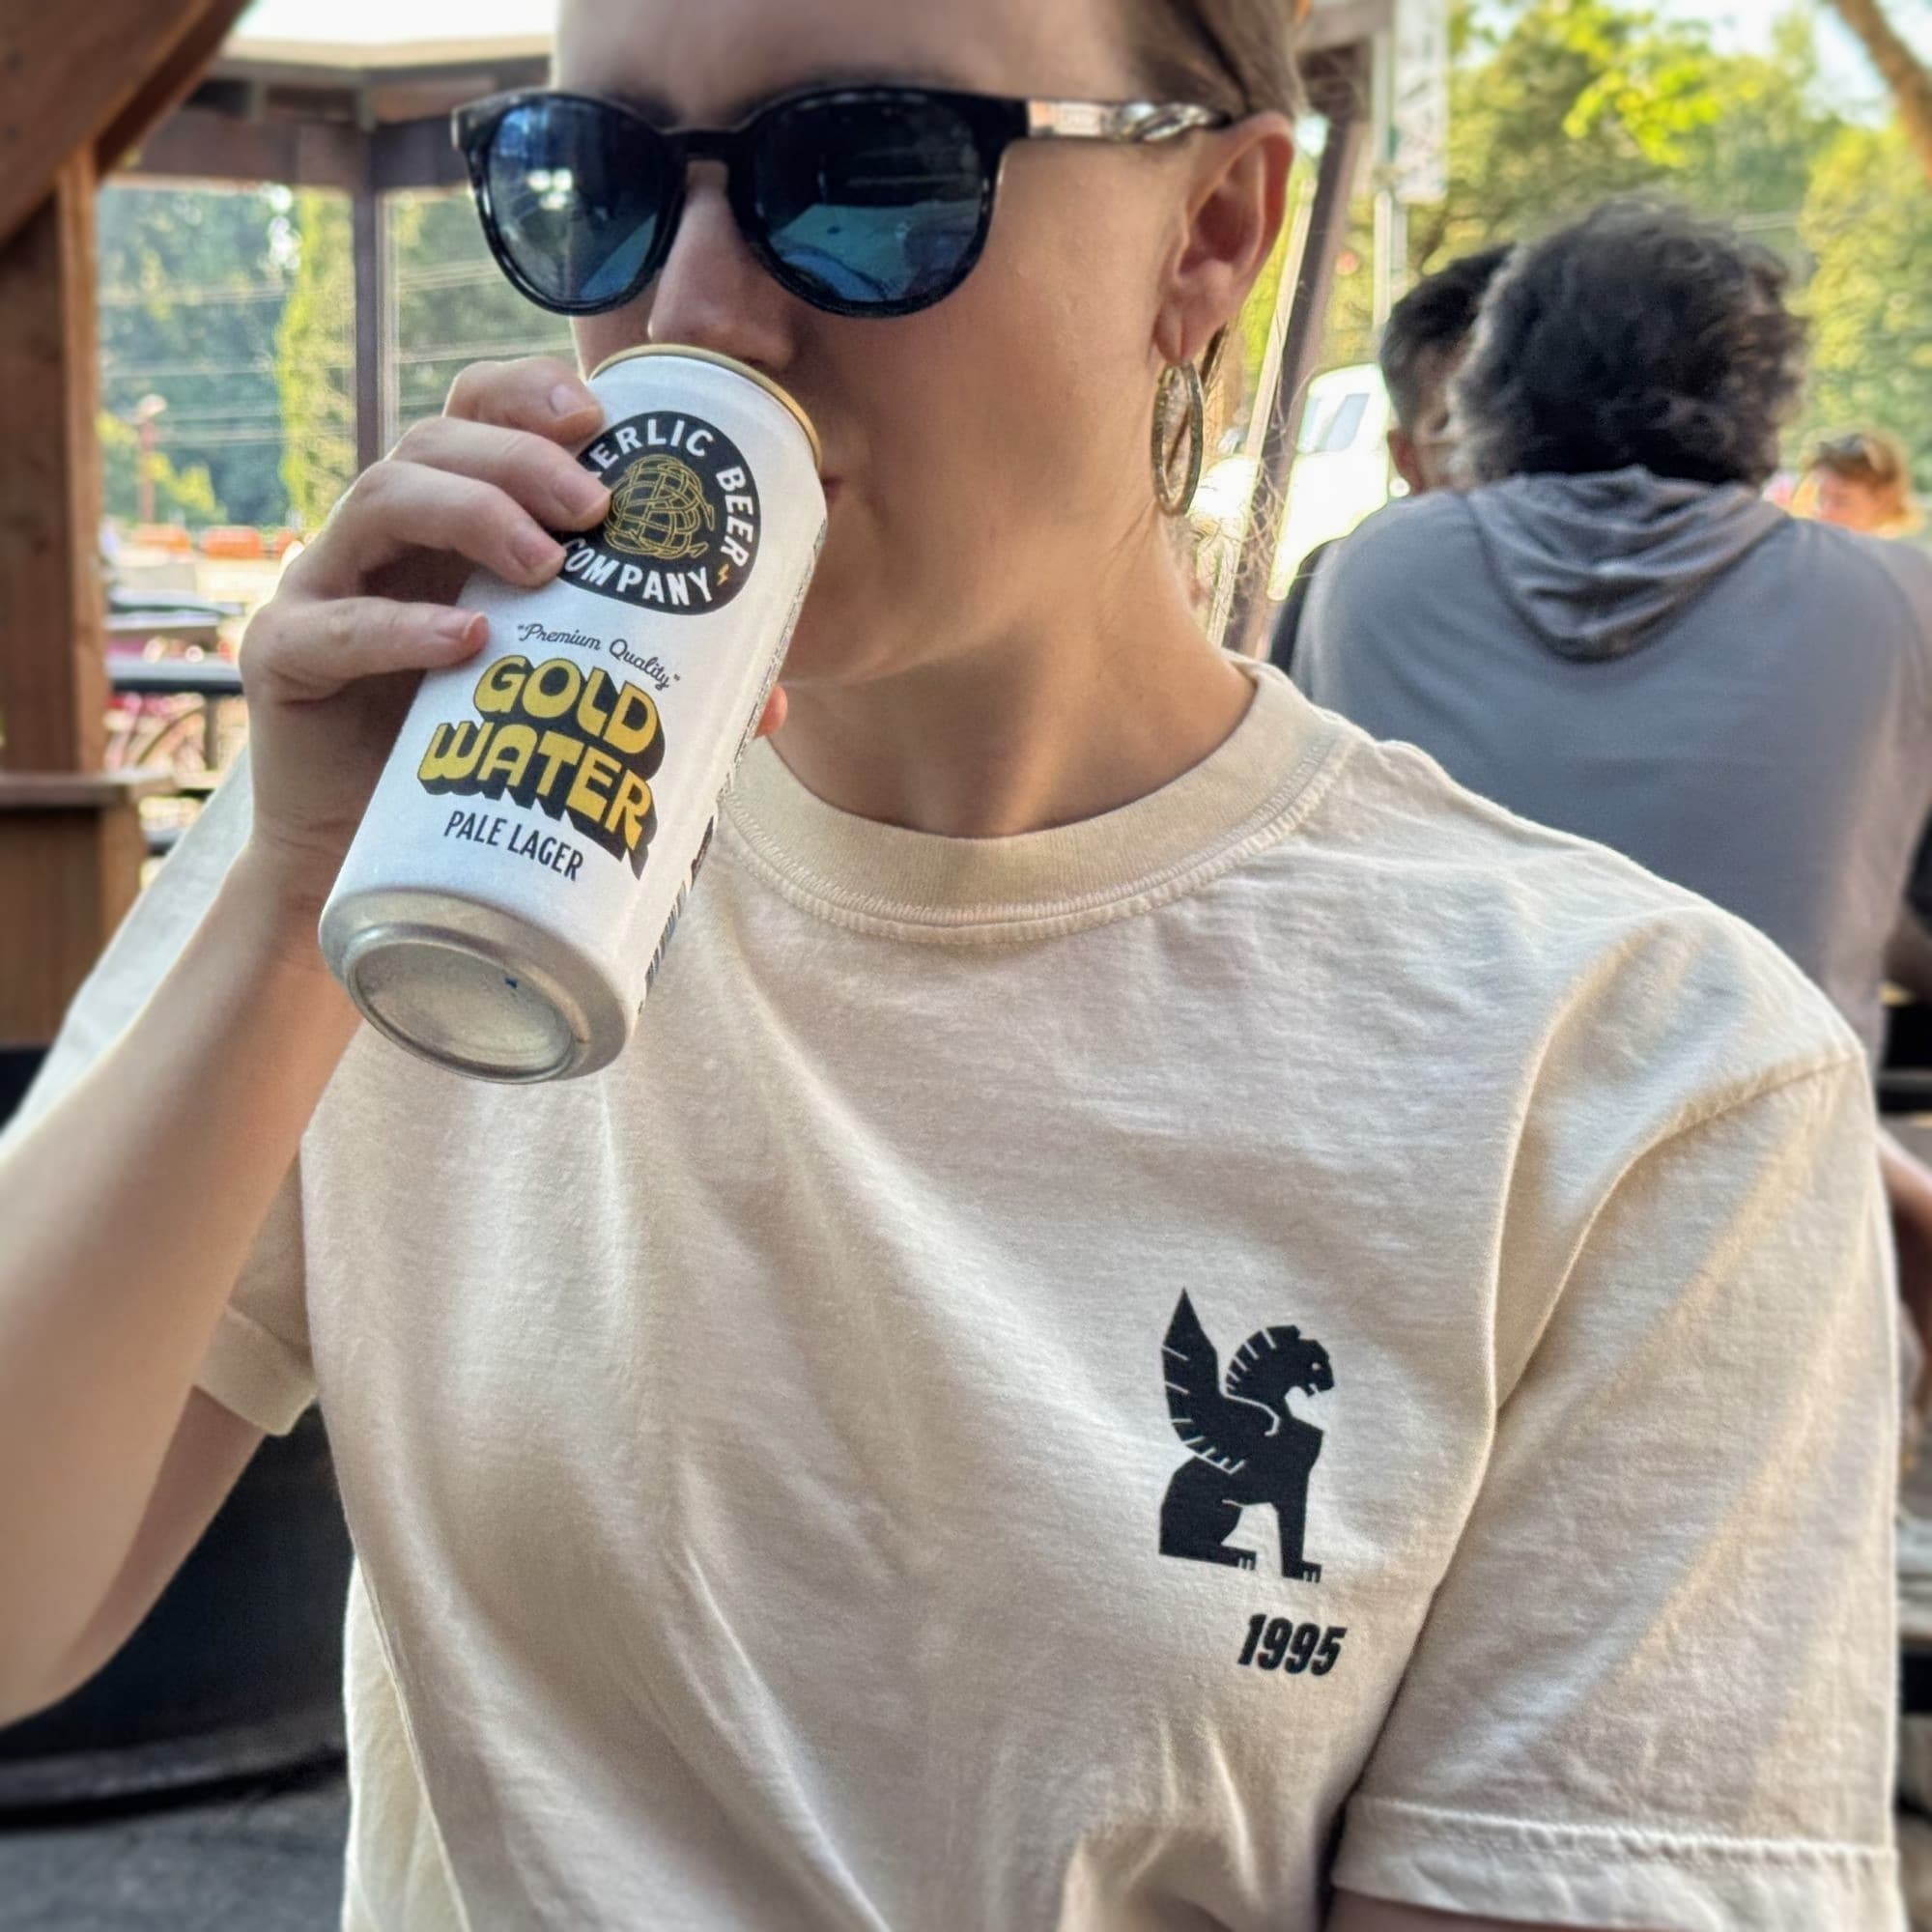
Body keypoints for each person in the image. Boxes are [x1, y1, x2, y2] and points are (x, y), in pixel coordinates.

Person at [0, 19, 1904, 1932]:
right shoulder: (395, 835)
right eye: (597, 181)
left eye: (874, 170)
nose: (698, 313)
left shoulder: (1638, 1081)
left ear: (1211, 231)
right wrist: (284, 894)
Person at [1294, 196, 1932, 1439]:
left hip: (1404, 1252)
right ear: (1764, 399)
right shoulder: (1887, 603)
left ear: (1495, 384)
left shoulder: (1369, 575)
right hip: (1766, 1259)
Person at [1269, 245, 1510, 676]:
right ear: (1408, 461)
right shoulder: (1338, 587)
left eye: (1527, 420)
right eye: (1456, 428)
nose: (1502, 458)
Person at [1801, 429, 1923, 542]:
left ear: (1883, 500)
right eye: (1820, 498)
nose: (1823, 514)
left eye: (1840, 500)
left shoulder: (1904, 563)